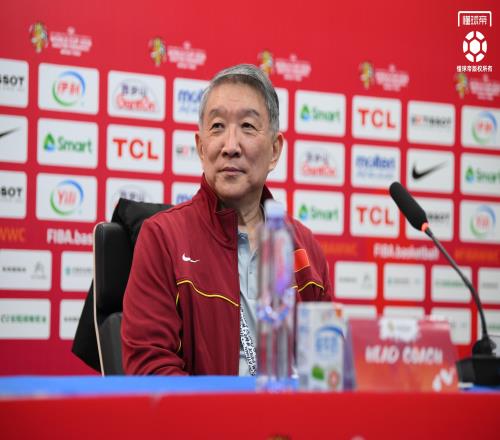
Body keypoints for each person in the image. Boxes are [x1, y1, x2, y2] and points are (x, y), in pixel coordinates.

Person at [122, 64, 333, 375]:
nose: (230, 146)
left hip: (288, 407)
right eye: (218, 126)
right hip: (204, 409)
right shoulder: (162, 239)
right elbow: (150, 369)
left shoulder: (306, 249)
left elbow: (326, 371)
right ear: (200, 147)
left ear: (274, 150)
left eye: (247, 126)